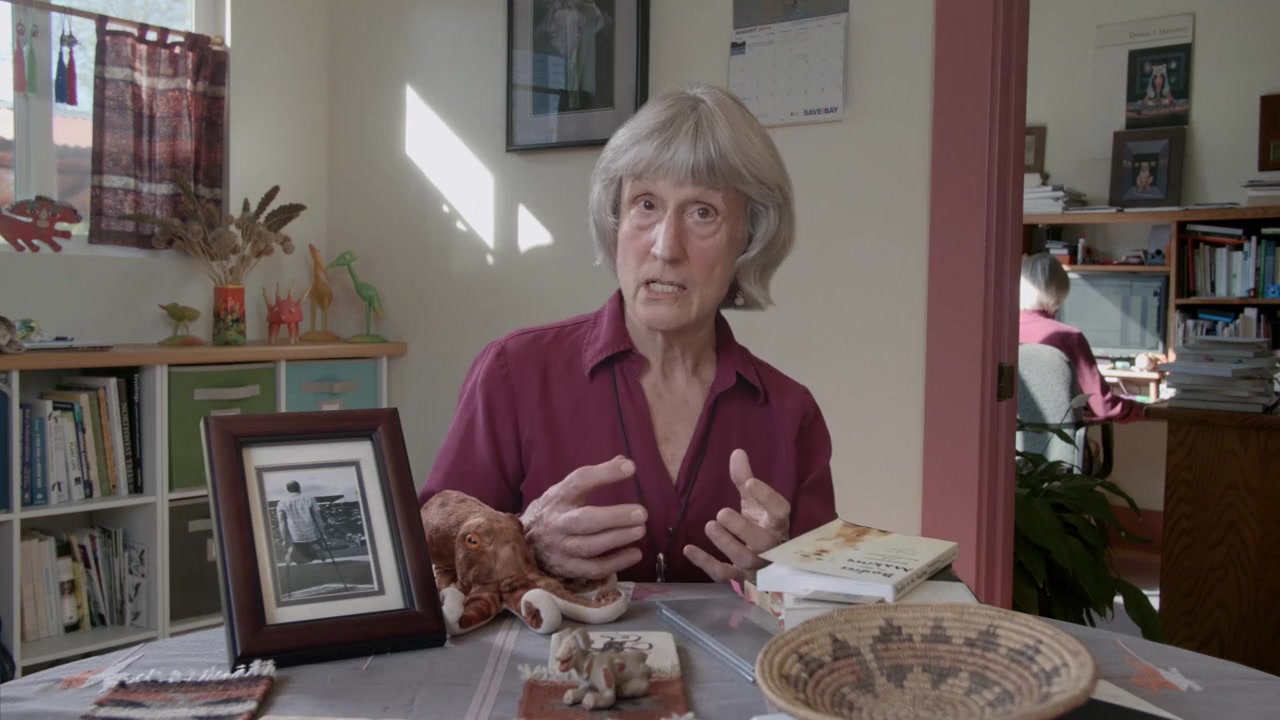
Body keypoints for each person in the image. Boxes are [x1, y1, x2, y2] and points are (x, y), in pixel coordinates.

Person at [420, 84, 837, 585]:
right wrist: (524, 540)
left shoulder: (790, 415)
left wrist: (783, 573)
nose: (665, 246)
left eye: (702, 212)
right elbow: (428, 550)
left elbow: (829, 601)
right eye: (646, 204)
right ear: (615, 219)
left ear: (749, 239)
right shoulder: (514, 373)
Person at [1018, 253, 1147, 423]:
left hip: (1013, 436)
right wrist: (1143, 409)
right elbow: (1104, 407)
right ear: (1060, 292)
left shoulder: (1002, 333)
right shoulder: (1069, 337)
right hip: (1059, 438)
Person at [276, 479, 329, 565]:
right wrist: (322, 533)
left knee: (294, 548)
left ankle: (291, 550)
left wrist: (284, 539)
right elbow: (317, 517)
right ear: (299, 488)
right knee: (313, 543)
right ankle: (316, 546)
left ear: (288, 490)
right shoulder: (309, 498)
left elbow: (282, 522)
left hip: (295, 533)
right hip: (310, 531)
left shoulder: (282, 502)